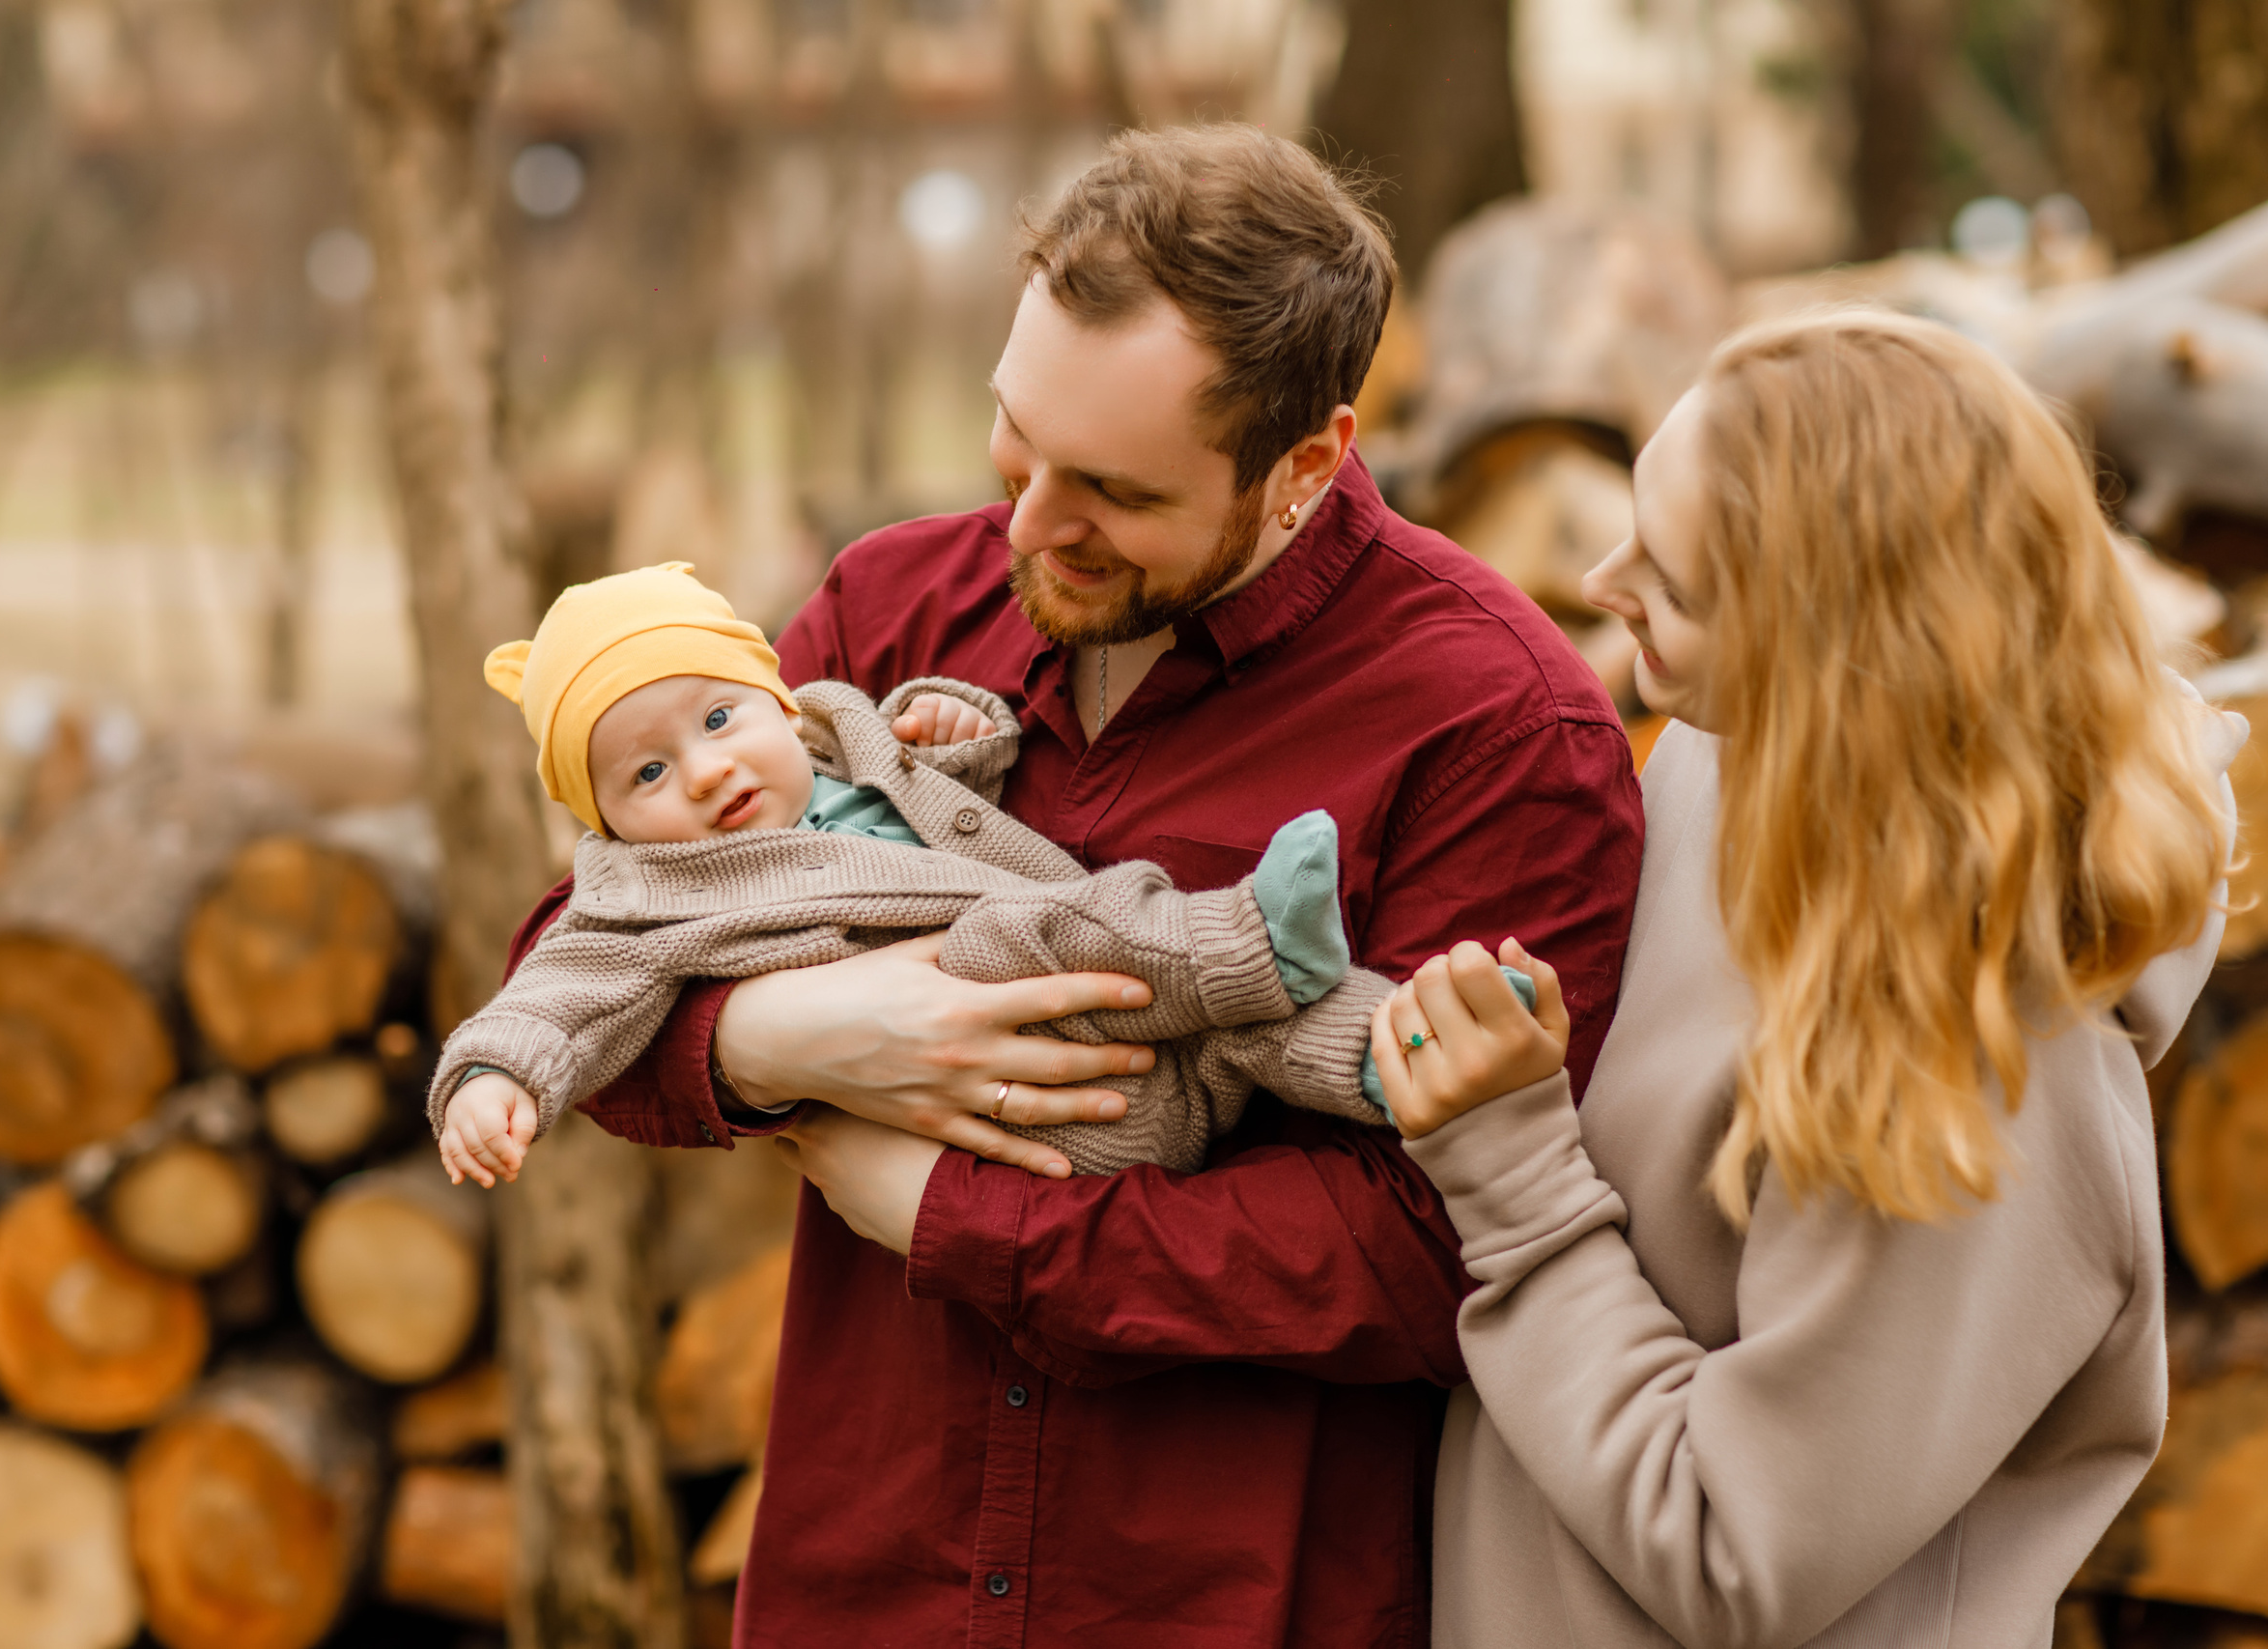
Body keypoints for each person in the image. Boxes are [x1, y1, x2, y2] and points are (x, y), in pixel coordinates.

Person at [502, 124, 1644, 1646]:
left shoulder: (1501, 724)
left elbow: (1436, 1248)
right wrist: (790, 1040)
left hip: (1215, 1599)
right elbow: (581, 952)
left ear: (1308, 464)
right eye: (1015, 435)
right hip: (863, 1577)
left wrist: (954, 1214)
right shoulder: (897, 600)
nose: (1029, 523)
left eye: (1110, 487)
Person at [1369, 310, 2239, 1648]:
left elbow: (1736, 1555)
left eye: (1672, 574)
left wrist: (1513, 1170)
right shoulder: (1731, 775)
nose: (1599, 580)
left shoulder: (1997, 1062)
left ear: (1836, 646)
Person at [430, 560, 1402, 1183]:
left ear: (774, 694)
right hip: (1049, 1111)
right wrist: (489, 1076)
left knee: (1254, 1034)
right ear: (608, 823)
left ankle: (1392, 1053)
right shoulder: (647, 902)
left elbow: (953, 821)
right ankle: (1252, 936)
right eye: (646, 773)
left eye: (719, 719)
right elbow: (557, 992)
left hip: (1149, 1051)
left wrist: (950, 738)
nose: (704, 770)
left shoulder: (850, 741)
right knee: (1041, 931)